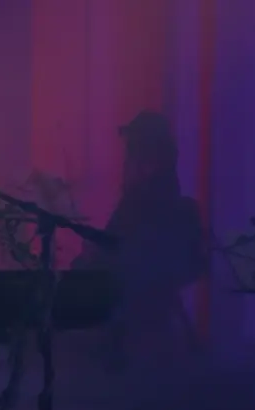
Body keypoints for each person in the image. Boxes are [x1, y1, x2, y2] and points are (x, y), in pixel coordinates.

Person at [72, 110, 205, 371]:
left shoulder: (152, 192)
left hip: (144, 263)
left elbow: (124, 234)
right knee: (96, 264)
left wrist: (99, 249)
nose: (127, 155)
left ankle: (112, 339)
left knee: (103, 270)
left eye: (132, 147)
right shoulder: (154, 188)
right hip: (149, 260)